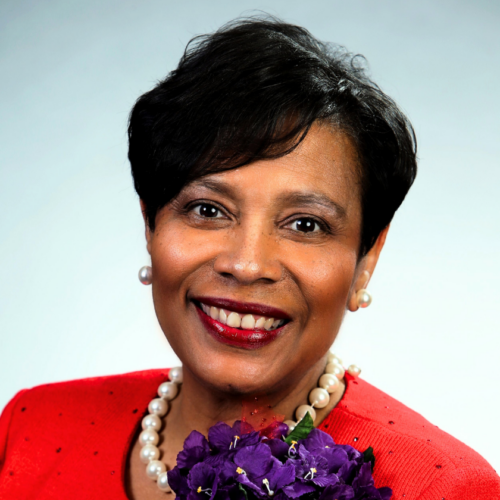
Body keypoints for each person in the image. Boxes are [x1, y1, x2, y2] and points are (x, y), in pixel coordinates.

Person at [0, 16, 498, 500]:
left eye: (306, 224)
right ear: (150, 225)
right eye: (207, 209)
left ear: (366, 260)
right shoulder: (31, 427)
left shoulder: (444, 488)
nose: (247, 264)